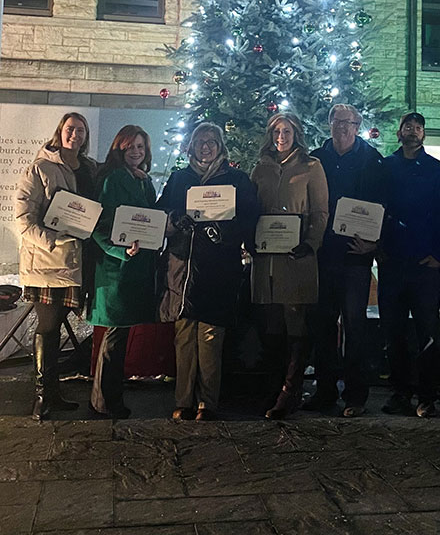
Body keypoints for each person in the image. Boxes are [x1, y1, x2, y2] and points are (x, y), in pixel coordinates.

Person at [158, 122, 258, 421]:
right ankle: (183, 400)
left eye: (212, 141)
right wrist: (176, 220)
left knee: (211, 336)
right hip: (184, 267)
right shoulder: (179, 178)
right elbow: (161, 212)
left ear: (221, 146)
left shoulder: (236, 179)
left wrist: (227, 233)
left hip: (218, 267)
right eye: (200, 141)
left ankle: (207, 402)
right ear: (190, 146)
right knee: (184, 335)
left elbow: (250, 216)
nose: (205, 146)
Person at [15, 112, 97, 420]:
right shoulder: (40, 168)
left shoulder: (89, 167)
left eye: (81, 130)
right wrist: (53, 239)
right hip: (49, 262)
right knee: (48, 327)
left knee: (56, 325)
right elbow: (24, 217)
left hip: (79, 260)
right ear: (59, 132)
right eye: (70, 129)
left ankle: (53, 394)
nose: (75, 134)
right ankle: (42, 396)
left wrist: (140, 172)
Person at [305, 104, 385, 417]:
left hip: (355, 256)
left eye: (349, 123)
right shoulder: (316, 158)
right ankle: (325, 392)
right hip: (323, 254)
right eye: (337, 122)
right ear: (329, 124)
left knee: (355, 326)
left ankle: (355, 396)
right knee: (323, 326)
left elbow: (382, 203)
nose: (343, 128)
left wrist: (374, 242)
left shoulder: (372, 159)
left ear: (358, 125)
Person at [250, 113, 329, 419]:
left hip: (297, 259)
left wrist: (310, 243)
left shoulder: (312, 167)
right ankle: (272, 387)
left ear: (296, 133)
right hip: (266, 260)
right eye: (276, 131)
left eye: (286, 131)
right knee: (270, 327)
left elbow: (320, 211)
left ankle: (290, 390)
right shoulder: (261, 168)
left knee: (295, 326)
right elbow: (252, 209)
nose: (281, 136)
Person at [378, 112, 440, 418]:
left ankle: (426, 395)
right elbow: (374, 209)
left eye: (418, 127)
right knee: (393, 332)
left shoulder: (435, 170)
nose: (413, 131)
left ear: (423, 135)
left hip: (424, 265)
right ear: (399, 133)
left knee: (427, 333)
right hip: (392, 262)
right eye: (408, 126)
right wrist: (376, 246)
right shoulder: (385, 167)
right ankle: (400, 392)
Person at [87, 125, 158, 418]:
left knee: (120, 336)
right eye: (130, 147)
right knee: (114, 338)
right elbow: (99, 227)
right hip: (116, 269)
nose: (136, 153)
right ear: (120, 149)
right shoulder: (113, 178)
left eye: (140, 147)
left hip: (136, 268)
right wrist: (120, 252)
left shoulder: (143, 180)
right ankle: (104, 401)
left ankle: (108, 397)